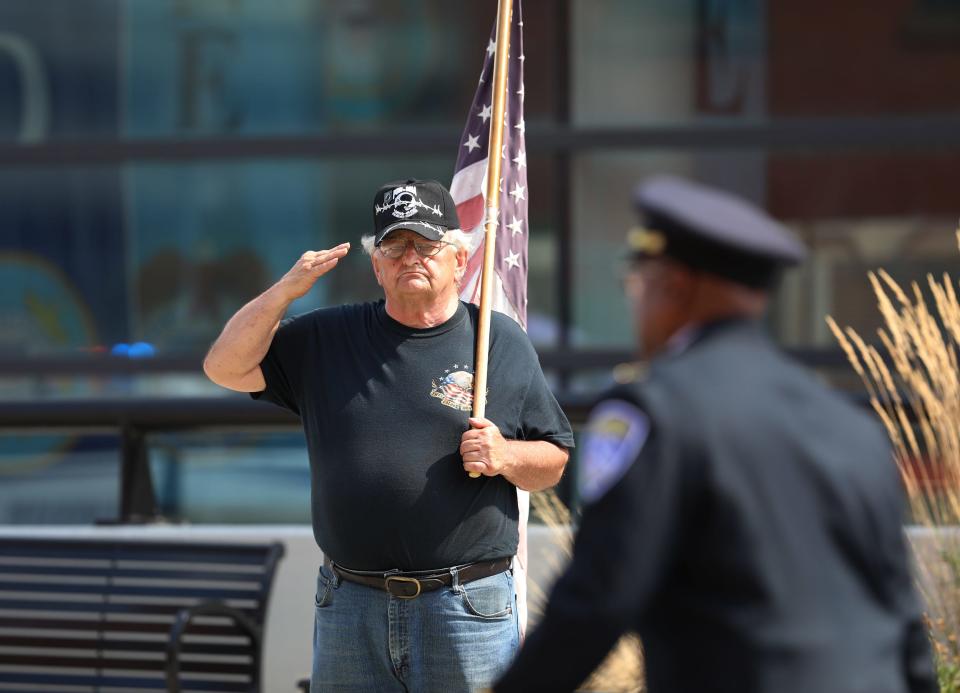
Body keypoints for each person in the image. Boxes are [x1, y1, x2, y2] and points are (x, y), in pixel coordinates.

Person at [492, 176, 936, 693]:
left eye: (636, 283)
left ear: (673, 286)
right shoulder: (852, 425)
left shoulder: (654, 410)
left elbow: (599, 599)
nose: (634, 302)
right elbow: (903, 614)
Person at [203, 178, 574, 693]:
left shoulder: (499, 341)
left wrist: (505, 454)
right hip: (350, 604)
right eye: (394, 246)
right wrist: (286, 290)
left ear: (459, 260)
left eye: (427, 244)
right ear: (376, 266)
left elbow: (554, 459)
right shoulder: (326, 338)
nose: (410, 258)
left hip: (464, 607)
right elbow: (223, 367)